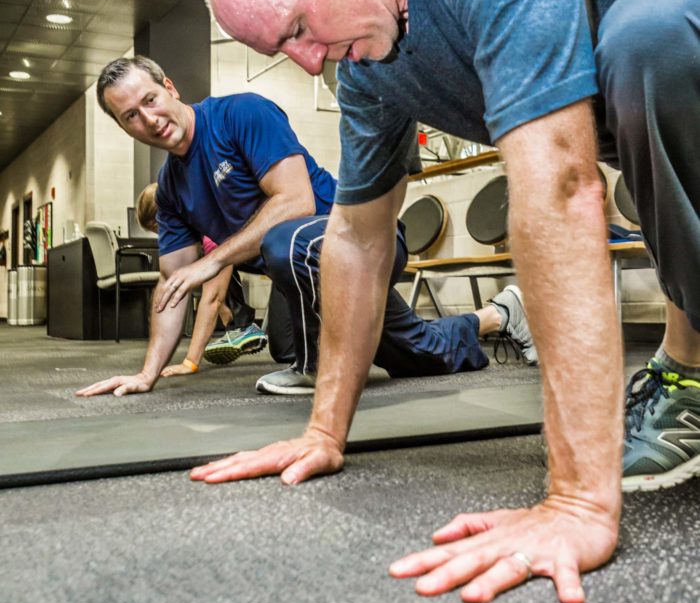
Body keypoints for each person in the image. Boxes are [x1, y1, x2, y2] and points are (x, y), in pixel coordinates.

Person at [196, 0, 700, 603]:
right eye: (282, 48)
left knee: (648, 34)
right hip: (658, 98)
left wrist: (576, 501)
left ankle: (686, 366)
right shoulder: (368, 66)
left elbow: (564, 183)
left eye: (297, 25)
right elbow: (358, 238)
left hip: (679, 39)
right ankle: (688, 375)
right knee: (639, 50)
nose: (305, 63)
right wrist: (323, 431)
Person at [76, 55, 537, 401]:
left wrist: (213, 260)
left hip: (362, 237)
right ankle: (502, 313)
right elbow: (173, 284)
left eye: (150, 100)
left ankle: (314, 366)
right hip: (303, 268)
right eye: (130, 116)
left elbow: (295, 201)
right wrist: (147, 373)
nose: (149, 119)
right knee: (409, 353)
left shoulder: (240, 114)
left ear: (170, 88)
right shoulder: (170, 189)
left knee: (284, 239)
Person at [135, 183, 267, 377]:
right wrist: (222, 306)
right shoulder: (201, 224)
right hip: (259, 255)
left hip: (292, 261)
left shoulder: (211, 228)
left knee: (292, 351)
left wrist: (190, 362)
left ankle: (246, 327)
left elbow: (211, 299)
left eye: (159, 230)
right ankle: (244, 326)